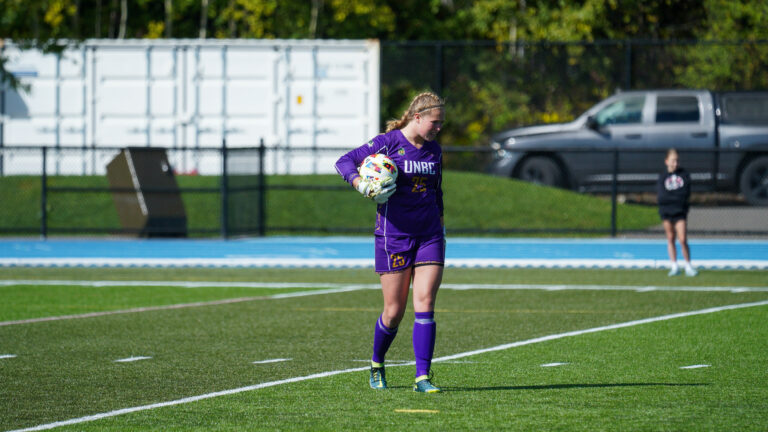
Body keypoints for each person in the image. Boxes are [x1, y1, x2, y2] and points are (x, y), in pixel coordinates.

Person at [335, 92, 446, 393]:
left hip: (429, 235)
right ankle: (376, 363)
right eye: (434, 123)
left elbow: (437, 192)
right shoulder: (389, 142)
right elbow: (344, 161)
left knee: (425, 304)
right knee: (394, 311)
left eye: (441, 124)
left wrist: (441, 224)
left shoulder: (435, 151)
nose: (438, 129)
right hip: (393, 236)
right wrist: (362, 185)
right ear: (417, 117)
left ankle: (422, 377)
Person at [657, 148, 697, 277]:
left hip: (679, 211)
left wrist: (673, 198)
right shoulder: (663, 177)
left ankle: (688, 265)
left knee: (682, 239)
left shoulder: (684, 175)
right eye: (673, 161)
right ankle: (674, 265)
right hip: (666, 211)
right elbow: (662, 196)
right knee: (670, 238)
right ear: (666, 161)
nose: (675, 163)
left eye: (677, 161)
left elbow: (684, 194)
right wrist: (672, 198)